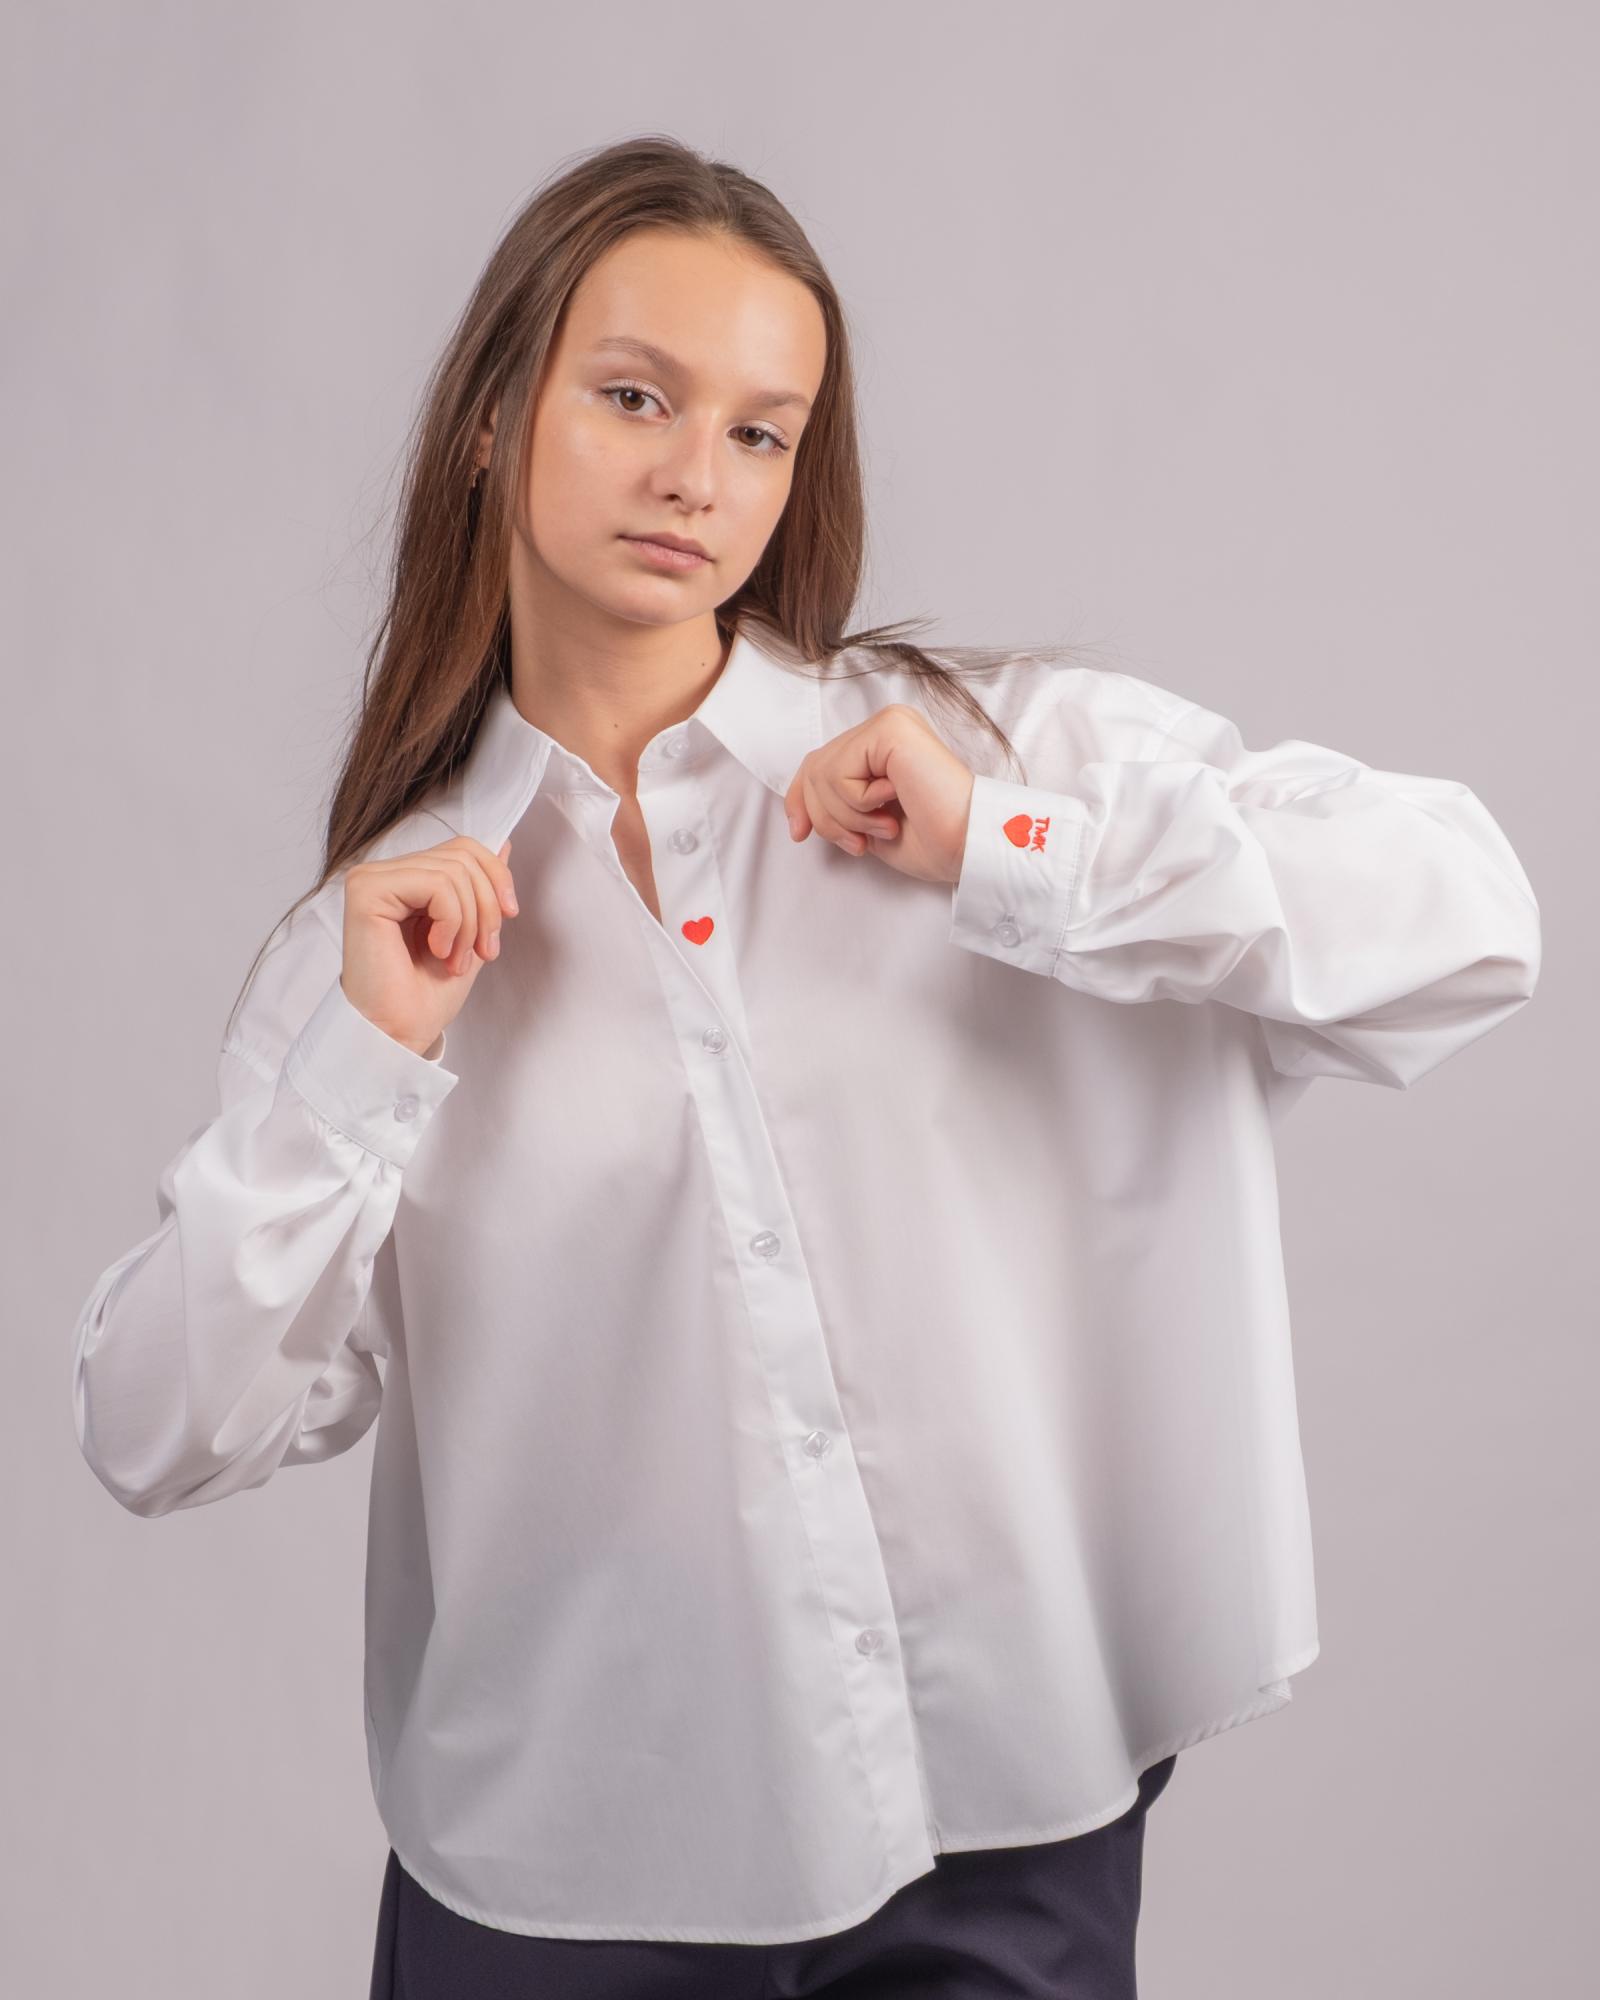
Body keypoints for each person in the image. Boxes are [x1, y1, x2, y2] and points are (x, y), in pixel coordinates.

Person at [70, 135, 1541, 2000]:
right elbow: (155, 1432)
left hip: (1001, 1844)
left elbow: (1469, 917)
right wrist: (363, 1065)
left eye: (761, 431)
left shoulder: (984, 759)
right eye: (635, 398)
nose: (698, 475)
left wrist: (1009, 851)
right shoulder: (382, 945)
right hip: (563, 1891)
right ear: (490, 421)